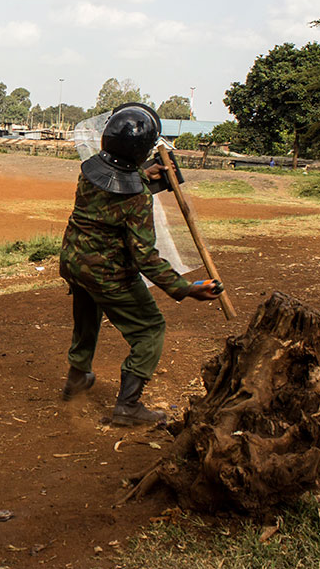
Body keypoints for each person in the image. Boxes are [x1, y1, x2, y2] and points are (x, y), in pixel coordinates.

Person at [58, 103, 222, 426]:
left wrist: (142, 174)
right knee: (150, 330)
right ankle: (128, 406)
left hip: (75, 263)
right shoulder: (137, 198)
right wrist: (186, 288)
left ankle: (77, 377)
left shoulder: (89, 170)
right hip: (108, 274)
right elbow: (145, 256)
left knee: (87, 317)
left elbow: (115, 184)